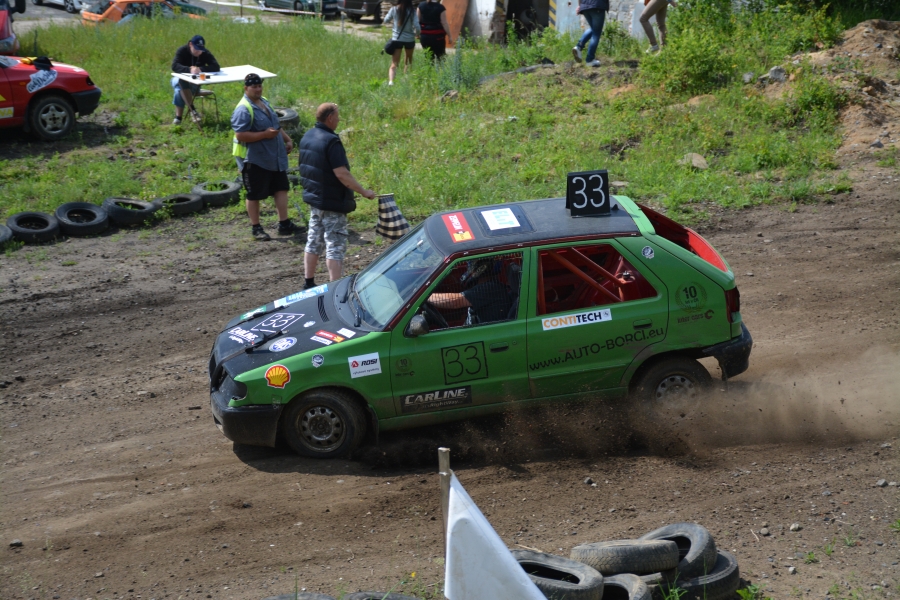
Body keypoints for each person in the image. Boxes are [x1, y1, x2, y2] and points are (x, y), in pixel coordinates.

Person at [299, 103, 376, 288]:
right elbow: (341, 173)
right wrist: (364, 191)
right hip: (332, 201)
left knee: (313, 240)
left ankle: (308, 282)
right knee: (335, 245)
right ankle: (335, 288)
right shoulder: (331, 141)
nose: (339, 119)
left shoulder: (308, 136)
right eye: (337, 116)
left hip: (315, 199)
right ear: (330, 118)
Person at [231, 73, 302, 242]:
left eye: (259, 86)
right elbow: (240, 135)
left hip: (274, 157)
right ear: (246, 88)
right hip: (254, 159)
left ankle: (284, 224)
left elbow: (275, 125)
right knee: (254, 194)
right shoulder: (243, 109)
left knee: (281, 188)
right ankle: (256, 228)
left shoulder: (264, 101)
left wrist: (287, 139)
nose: (258, 89)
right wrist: (264, 135)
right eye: (254, 87)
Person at [427, 259, 511, 325]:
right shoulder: (489, 285)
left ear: (481, 268)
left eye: (470, 266)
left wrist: (426, 297)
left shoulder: (489, 288)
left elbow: (455, 302)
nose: (468, 268)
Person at [170, 35, 220, 126]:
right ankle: (193, 111)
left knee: (178, 90)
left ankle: (178, 118)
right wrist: (189, 69)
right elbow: (174, 66)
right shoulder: (182, 51)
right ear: (190, 44)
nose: (199, 52)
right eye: (196, 49)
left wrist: (200, 69)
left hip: (194, 84)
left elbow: (216, 66)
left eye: (201, 49)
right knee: (180, 81)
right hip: (177, 79)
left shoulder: (205, 53)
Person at [383, 0, 419, 85]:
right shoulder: (412, 11)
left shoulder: (394, 9)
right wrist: (417, 34)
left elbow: (386, 20)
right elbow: (417, 26)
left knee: (394, 63)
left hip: (397, 39)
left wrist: (394, 20)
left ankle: (391, 82)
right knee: (408, 61)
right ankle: (406, 80)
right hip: (409, 39)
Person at [571, 0, 609, 68]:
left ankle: (579, 47)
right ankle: (590, 59)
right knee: (596, 32)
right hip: (597, 5)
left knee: (594, 29)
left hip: (585, 7)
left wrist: (580, 5)